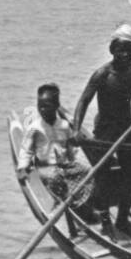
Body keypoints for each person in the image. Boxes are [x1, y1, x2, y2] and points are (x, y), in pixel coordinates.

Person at [74, 25, 131, 236]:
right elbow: (83, 102)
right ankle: (106, 219)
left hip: (127, 131)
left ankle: (123, 221)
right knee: (103, 177)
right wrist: (76, 129)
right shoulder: (102, 74)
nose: (126, 54)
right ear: (112, 49)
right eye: (121, 49)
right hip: (105, 133)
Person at [16, 82, 92, 212]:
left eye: (47, 106)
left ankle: (78, 202)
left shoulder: (63, 125)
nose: (43, 110)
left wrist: (75, 161)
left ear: (56, 106)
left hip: (63, 165)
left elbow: (71, 148)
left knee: (87, 171)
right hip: (46, 166)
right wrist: (23, 168)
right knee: (54, 177)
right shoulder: (35, 128)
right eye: (40, 107)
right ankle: (61, 199)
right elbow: (26, 151)